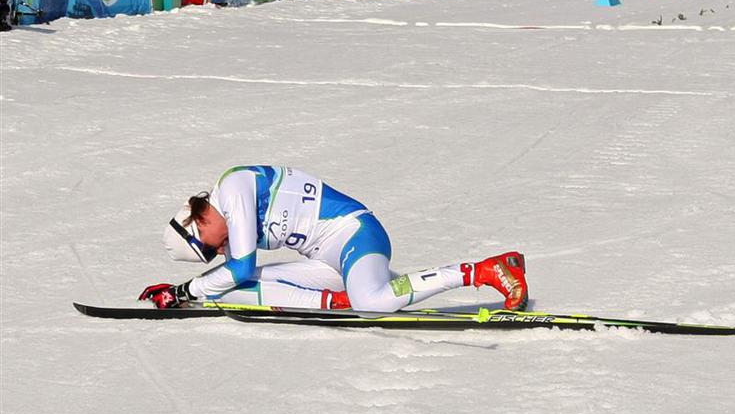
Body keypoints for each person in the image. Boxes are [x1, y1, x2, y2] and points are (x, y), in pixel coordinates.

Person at [139, 165, 528, 313]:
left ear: (198, 219)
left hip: (358, 235)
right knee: (224, 291)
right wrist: (189, 290)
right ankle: (335, 300)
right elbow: (237, 272)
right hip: (330, 262)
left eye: (207, 247)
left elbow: (239, 266)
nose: (218, 251)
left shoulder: (232, 186)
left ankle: (482, 270)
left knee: (372, 303)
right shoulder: (229, 202)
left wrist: (186, 290)